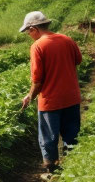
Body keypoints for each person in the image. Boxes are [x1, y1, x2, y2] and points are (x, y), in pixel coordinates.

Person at [19, 11, 82, 171]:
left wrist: (30, 96)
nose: (28, 35)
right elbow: (78, 60)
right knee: (72, 134)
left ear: (34, 29)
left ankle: (51, 169)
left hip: (50, 101)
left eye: (28, 31)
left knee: (48, 137)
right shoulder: (67, 40)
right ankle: (73, 167)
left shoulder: (38, 46)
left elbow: (37, 80)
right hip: (71, 97)